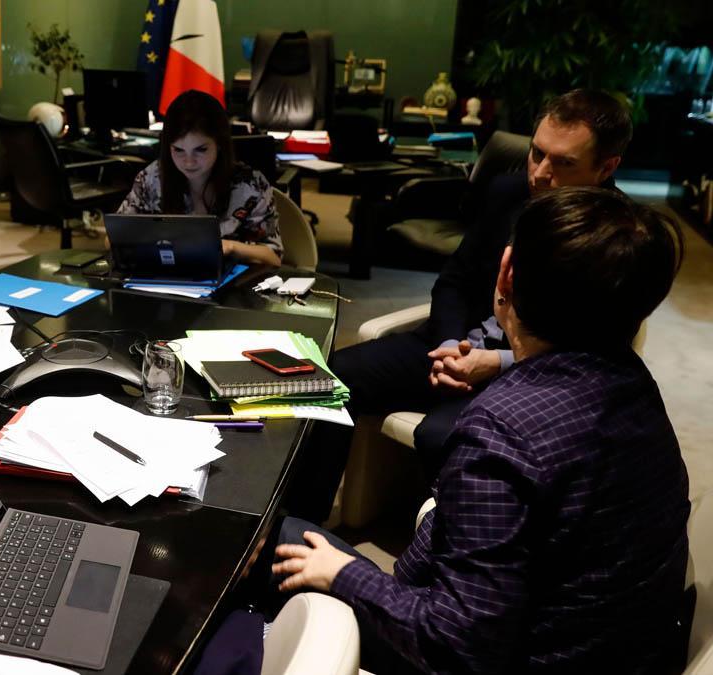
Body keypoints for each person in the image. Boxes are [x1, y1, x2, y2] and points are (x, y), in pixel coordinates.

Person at [271, 187, 689, 673]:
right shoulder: (636, 381)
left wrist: (344, 575)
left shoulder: (501, 429)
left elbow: (455, 646)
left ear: (506, 272)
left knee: (275, 540)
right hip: (625, 650)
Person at [290, 89, 634, 522]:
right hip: (457, 346)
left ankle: (444, 564)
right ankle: (299, 527)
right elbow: (454, 281)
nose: (541, 173)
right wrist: (450, 345)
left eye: (563, 162)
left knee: (443, 435)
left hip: (532, 374)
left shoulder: (619, 236)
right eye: (536, 153)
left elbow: (596, 350)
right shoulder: (507, 192)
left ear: (607, 167)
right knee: (328, 379)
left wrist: (497, 362)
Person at [116, 89, 283, 266]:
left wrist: (231, 247)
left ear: (219, 144)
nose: (189, 162)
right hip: (164, 281)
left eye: (201, 150)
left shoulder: (251, 186)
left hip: (232, 285)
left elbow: (273, 257)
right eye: (178, 150)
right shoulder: (151, 179)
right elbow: (114, 238)